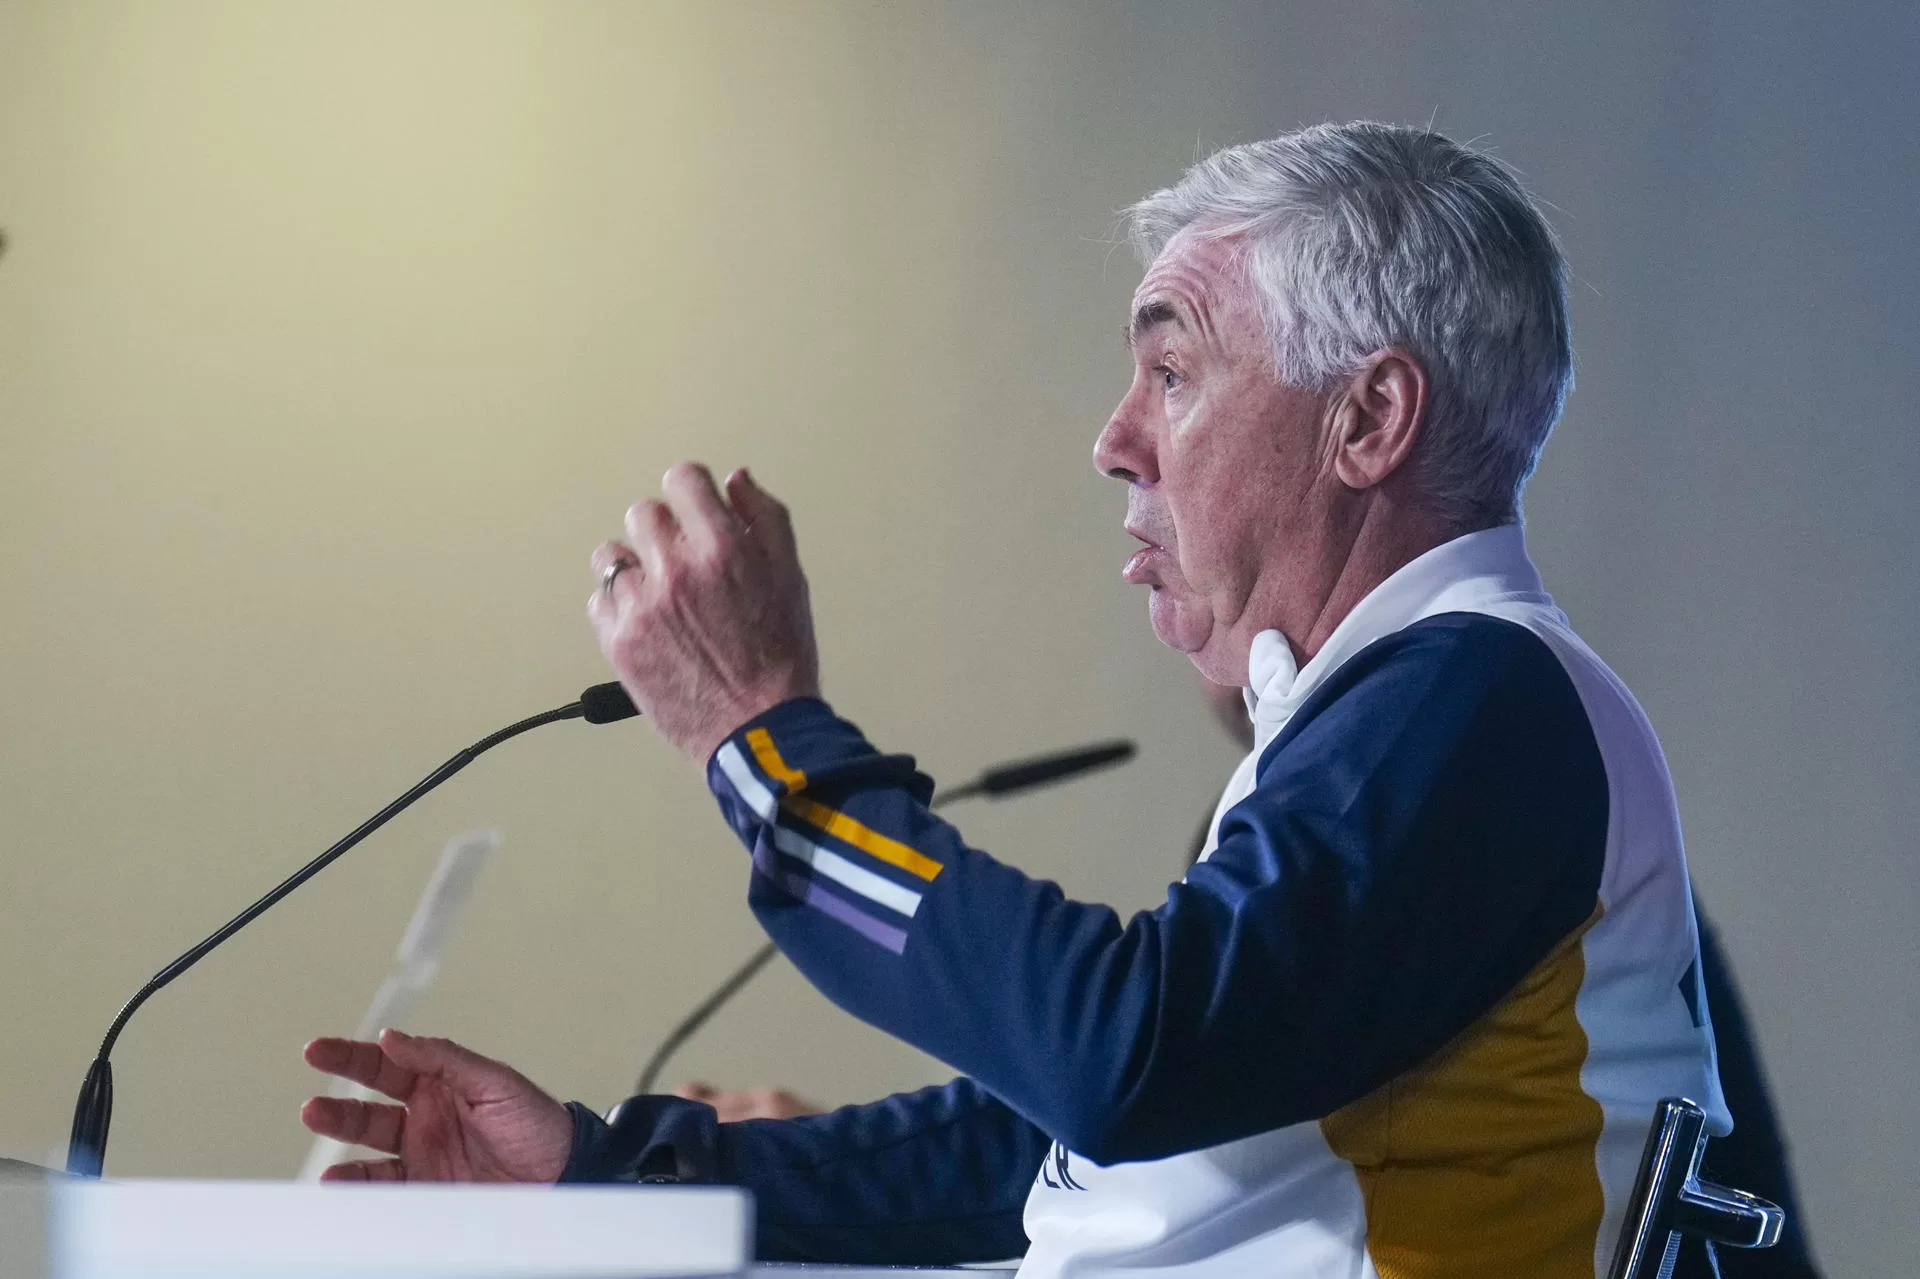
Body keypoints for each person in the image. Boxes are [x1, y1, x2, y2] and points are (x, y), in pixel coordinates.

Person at [301, 122, 1733, 1277]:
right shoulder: (1388, 714)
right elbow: (1052, 1141)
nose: (1114, 439)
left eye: (1173, 369)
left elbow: (1121, 1060)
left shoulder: (1486, 696)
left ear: (1368, 419)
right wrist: (604, 1168)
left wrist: (767, 745)